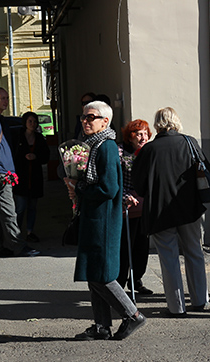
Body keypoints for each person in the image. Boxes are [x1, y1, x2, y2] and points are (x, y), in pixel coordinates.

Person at [64, 100, 146, 341]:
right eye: (83, 117)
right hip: (94, 217)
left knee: (101, 274)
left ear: (105, 121)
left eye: (91, 117)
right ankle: (101, 325)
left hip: (103, 220)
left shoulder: (106, 147)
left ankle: (132, 315)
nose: (85, 121)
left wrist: (79, 187)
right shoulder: (92, 145)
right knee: (94, 273)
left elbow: (109, 188)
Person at [132, 107, 210, 317]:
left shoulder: (149, 150)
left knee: (169, 258)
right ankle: (200, 300)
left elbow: (138, 186)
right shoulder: (190, 142)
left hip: (160, 211)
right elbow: (206, 170)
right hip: (190, 208)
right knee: (194, 252)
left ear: (157, 124)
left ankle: (176, 307)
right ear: (176, 121)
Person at [0, 87, 39, 257]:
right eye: (2, 98)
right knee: (9, 212)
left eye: (7, 98)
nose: (5, 101)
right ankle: (18, 246)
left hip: (5, 171)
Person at [117, 119, 153, 295]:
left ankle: (136, 280)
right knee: (126, 246)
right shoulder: (120, 152)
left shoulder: (148, 151)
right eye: (138, 134)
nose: (143, 137)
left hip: (144, 206)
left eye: (145, 133)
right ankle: (120, 284)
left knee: (142, 245)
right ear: (130, 137)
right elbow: (116, 179)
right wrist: (125, 195)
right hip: (127, 205)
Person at [13, 111, 50, 242]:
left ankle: (30, 232)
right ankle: (15, 233)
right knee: (21, 206)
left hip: (35, 177)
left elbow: (46, 156)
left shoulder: (40, 138)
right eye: (30, 121)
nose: (32, 124)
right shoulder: (18, 137)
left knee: (32, 206)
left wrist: (36, 157)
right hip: (21, 176)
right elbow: (13, 156)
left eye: (34, 122)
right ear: (25, 122)